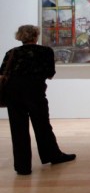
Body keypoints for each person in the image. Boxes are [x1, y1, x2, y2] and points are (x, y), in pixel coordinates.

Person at [0, 25, 76, 176]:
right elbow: (50, 73)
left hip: (13, 93)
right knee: (42, 125)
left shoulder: (12, 52)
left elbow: (2, 72)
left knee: (18, 129)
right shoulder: (45, 51)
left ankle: (23, 167)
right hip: (34, 91)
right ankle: (53, 155)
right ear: (36, 36)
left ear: (20, 36)